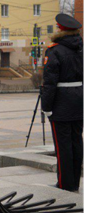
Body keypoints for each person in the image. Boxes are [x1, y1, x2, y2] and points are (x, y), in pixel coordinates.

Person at [42, 14, 85, 193]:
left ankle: (64, 184)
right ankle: (74, 183)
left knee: (63, 146)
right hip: (79, 101)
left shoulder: (55, 50)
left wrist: (46, 106)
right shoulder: (81, 49)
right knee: (77, 142)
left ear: (60, 29)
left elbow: (50, 82)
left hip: (61, 103)